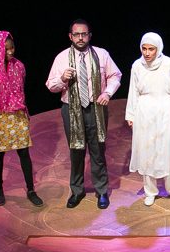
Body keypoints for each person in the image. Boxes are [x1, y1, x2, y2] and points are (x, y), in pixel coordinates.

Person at [46, 19, 122, 209]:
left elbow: (115, 75)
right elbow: (51, 86)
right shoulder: (62, 57)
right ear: (70, 36)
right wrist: (62, 78)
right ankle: (77, 191)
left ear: (89, 35)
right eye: (76, 34)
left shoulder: (102, 54)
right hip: (71, 110)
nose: (80, 38)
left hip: (96, 108)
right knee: (76, 151)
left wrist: (107, 93)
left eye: (84, 34)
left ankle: (101, 190)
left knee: (98, 150)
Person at [0, 30, 43, 207]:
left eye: (12, 48)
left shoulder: (19, 66)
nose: (11, 52)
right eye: (6, 49)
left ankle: (31, 190)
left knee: (24, 152)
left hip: (17, 114)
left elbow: (21, 89)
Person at [125, 32, 170, 206]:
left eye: (151, 49)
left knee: (168, 150)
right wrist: (131, 114)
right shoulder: (137, 66)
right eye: (144, 48)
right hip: (144, 112)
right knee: (147, 151)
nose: (147, 53)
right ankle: (150, 191)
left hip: (166, 110)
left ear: (158, 49)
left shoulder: (169, 64)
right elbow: (133, 92)